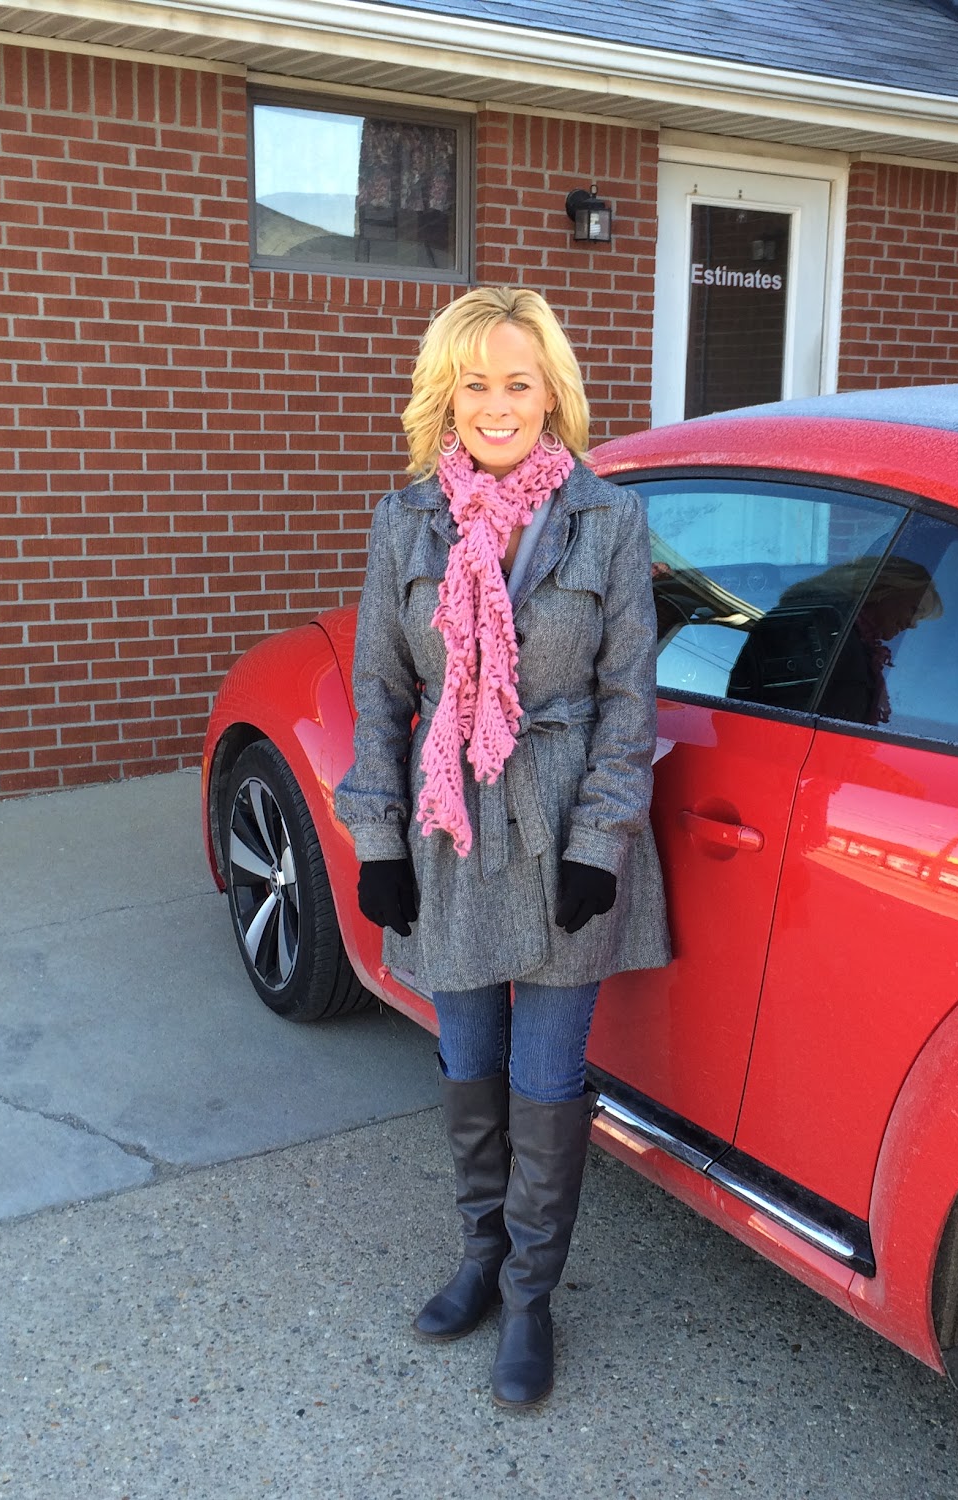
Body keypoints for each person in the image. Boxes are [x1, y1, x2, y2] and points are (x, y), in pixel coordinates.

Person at [333, 286, 671, 1410]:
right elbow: (380, 692)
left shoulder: (606, 520)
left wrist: (599, 843)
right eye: (474, 382)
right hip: (449, 829)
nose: (495, 404)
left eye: (517, 382)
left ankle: (531, 1296)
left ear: (551, 395)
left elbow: (628, 704)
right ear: (447, 394)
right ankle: (481, 1255)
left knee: (546, 1077)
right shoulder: (405, 521)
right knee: (468, 1060)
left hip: (562, 823)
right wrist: (379, 840)